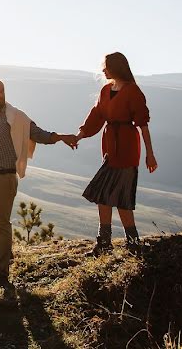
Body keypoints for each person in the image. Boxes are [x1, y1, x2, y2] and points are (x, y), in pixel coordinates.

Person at [0, 78, 78, 285]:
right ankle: (2, 251)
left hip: (5, 178)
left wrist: (61, 137)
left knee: (2, 223)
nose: (0, 94)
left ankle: (1, 271)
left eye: (2, 90)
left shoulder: (16, 117)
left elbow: (38, 134)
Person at [74, 52, 157, 256]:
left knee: (120, 198)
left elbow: (143, 125)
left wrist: (150, 154)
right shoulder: (105, 90)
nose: (103, 70)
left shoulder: (133, 91)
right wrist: (79, 135)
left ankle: (129, 243)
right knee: (105, 195)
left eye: (106, 66)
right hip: (110, 147)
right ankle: (108, 243)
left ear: (116, 67)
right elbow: (96, 116)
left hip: (127, 147)